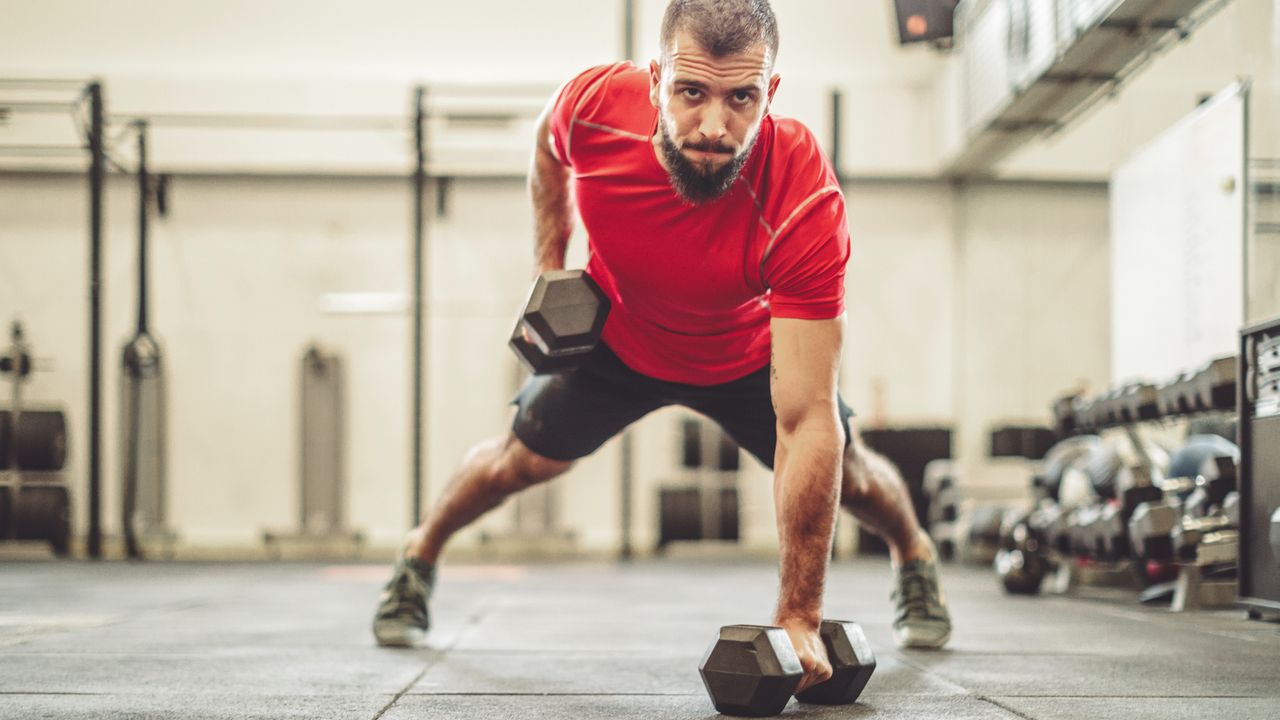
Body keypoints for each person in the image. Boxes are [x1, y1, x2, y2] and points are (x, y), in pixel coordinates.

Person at [374, 0, 952, 693]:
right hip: (617, 341)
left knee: (850, 474)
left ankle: (914, 554)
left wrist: (800, 614)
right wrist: (550, 266)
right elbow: (545, 149)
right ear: (654, 82)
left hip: (741, 357)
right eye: (690, 93)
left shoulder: (801, 193)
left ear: (770, 93)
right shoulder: (592, 108)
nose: (714, 126)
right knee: (515, 463)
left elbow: (806, 418)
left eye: (741, 98)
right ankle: (417, 558)